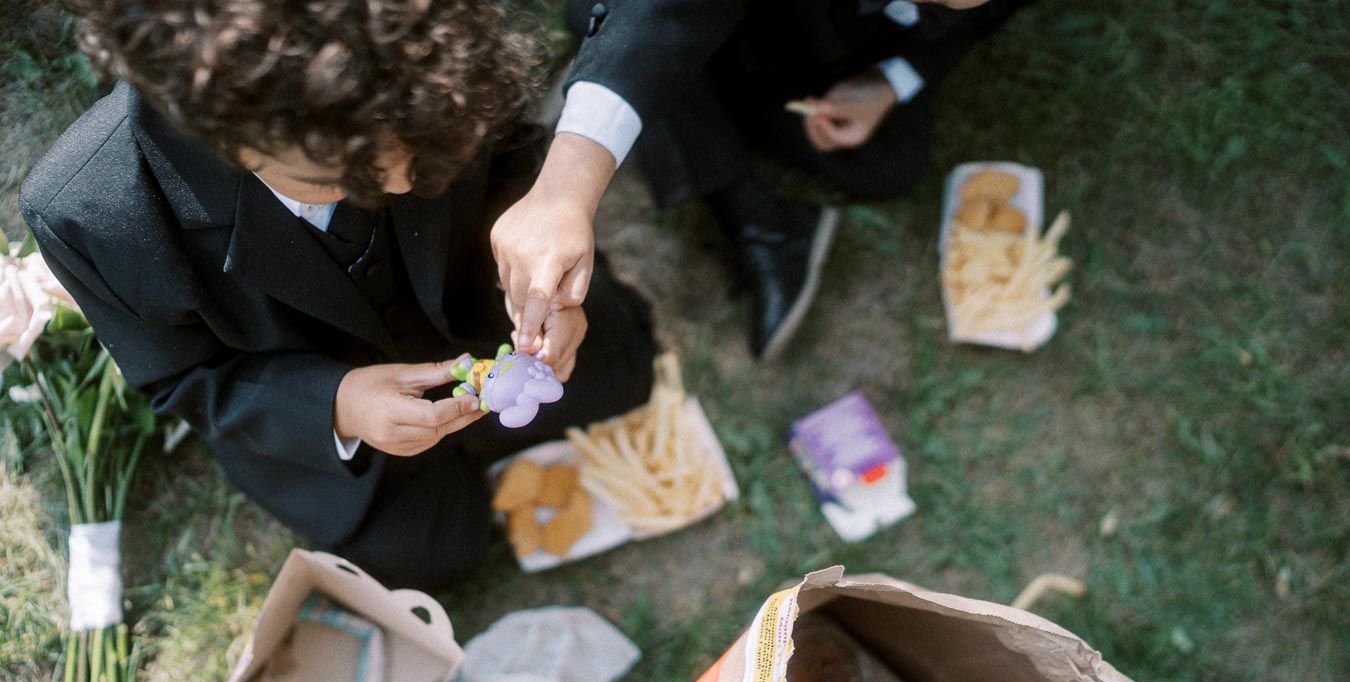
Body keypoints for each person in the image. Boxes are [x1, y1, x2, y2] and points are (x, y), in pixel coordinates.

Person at [21, 0, 656, 590]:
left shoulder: (418, 46)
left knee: (625, 374)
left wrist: (530, 258)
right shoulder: (92, 215)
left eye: (424, 144)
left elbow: (512, 160)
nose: (408, 180)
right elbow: (182, 379)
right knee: (437, 554)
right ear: (231, 143)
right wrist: (339, 406)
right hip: (324, 401)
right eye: (350, 175)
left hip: (476, 309)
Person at [493, 0, 1030, 361]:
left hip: (840, 53)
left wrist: (890, 83)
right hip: (729, 18)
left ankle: (694, 113)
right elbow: (660, 14)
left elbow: (982, 19)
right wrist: (561, 193)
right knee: (604, 20)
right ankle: (753, 210)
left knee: (890, 165)